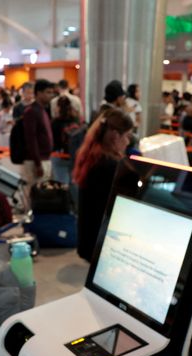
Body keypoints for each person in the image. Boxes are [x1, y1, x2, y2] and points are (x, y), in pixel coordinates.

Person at [73, 108, 134, 261]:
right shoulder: (110, 166)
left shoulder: (92, 156)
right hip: (101, 243)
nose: (127, 142)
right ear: (115, 136)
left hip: (89, 238)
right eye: (126, 136)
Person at [21, 79, 55, 185]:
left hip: (44, 159)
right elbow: (31, 138)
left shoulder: (42, 110)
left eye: (51, 92)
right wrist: (37, 163)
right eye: (48, 92)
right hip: (35, 162)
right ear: (39, 93)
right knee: (35, 195)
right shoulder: (31, 111)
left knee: (42, 195)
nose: (51, 95)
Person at [51, 95, 81, 184]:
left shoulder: (54, 122)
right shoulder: (76, 121)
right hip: (74, 156)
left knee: (61, 183)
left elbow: (51, 141)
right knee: (74, 184)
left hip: (58, 155)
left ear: (58, 107)